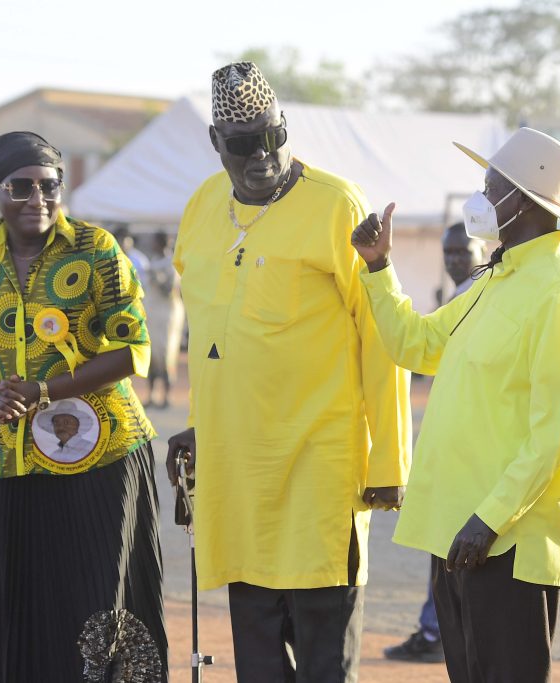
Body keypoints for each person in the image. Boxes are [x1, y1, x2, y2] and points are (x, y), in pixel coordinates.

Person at [166, 62, 412, 683]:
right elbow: (214, 339)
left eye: (272, 135)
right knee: (257, 663)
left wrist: (389, 464)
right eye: (244, 143)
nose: (263, 155)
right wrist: (198, 426)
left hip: (317, 476)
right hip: (236, 480)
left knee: (325, 663)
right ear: (217, 145)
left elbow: (382, 338)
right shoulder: (200, 210)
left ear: (285, 127)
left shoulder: (336, 206)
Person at [352, 127, 560, 682]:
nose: (481, 200)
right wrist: (377, 267)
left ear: (522, 201)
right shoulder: (492, 279)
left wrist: (489, 519)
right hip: (458, 531)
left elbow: (557, 429)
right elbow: (414, 345)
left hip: (506, 540)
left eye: (491, 189)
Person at [0, 131, 166, 681]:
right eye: (22, 186)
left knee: (92, 600)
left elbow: (131, 349)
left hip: (103, 455)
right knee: (15, 600)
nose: (38, 197)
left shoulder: (96, 249)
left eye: (50, 185)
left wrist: (45, 392)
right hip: (11, 459)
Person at [384, 221, 484, 665]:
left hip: (468, 446)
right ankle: (435, 629)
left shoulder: (476, 295)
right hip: (452, 439)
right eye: (449, 252)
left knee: (447, 548)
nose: (455, 259)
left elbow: (417, 346)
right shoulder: (463, 295)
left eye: (463, 250)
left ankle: (434, 631)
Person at [143, 230, 185, 408]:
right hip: (152, 312)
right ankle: (152, 395)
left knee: (166, 353)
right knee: (150, 353)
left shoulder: (171, 263)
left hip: (167, 314)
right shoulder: (153, 260)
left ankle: (166, 396)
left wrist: (157, 278)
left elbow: (170, 290)